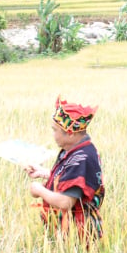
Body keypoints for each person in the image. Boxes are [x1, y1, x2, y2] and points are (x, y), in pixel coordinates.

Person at [26, 96, 104, 241]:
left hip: (79, 235)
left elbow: (66, 202)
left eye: (55, 130)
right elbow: (70, 179)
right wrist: (44, 173)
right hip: (67, 232)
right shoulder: (74, 150)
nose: (53, 134)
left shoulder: (82, 159)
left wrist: (39, 190)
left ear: (70, 133)